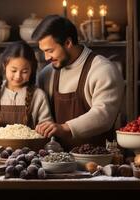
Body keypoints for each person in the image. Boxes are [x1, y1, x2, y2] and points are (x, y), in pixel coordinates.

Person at [32, 15, 125, 151]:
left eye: (50, 51)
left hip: (98, 159)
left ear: (68, 43)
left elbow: (104, 116)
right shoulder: (46, 74)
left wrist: (64, 128)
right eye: (43, 52)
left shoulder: (102, 69)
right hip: (57, 159)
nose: (46, 58)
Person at [0, 41, 52, 133]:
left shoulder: (38, 96)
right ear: (4, 66)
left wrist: (43, 129)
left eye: (24, 72)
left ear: (32, 70)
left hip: (29, 147)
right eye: (14, 71)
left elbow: (47, 127)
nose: (18, 76)